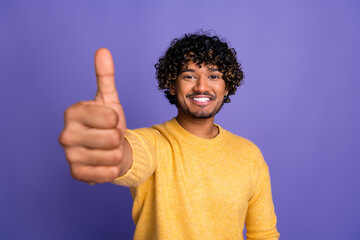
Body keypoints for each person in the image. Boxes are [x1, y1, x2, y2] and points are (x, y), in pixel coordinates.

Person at [59, 32, 280, 240]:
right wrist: (111, 150)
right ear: (173, 85)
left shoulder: (249, 155)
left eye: (213, 76)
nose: (202, 86)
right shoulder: (153, 141)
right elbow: (131, 155)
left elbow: (264, 235)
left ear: (227, 87)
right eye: (189, 76)